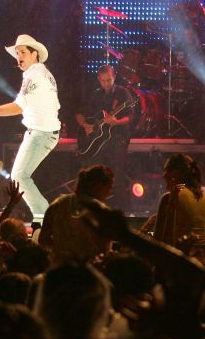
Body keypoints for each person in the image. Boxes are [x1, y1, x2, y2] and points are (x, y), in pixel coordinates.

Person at [0, 34, 60, 217]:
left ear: (34, 54)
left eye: (22, 52)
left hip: (41, 133)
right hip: (42, 132)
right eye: (17, 53)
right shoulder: (41, 73)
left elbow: (18, 107)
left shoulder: (34, 74)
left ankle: (46, 217)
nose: (18, 57)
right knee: (19, 177)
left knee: (19, 177)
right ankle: (46, 217)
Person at [75, 64, 135, 204]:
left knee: (117, 174)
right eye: (103, 81)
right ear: (98, 79)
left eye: (109, 80)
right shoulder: (96, 94)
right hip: (97, 140)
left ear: (114, 77)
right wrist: (85, 125)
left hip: (117, 137)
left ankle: (121, 207)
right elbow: (79, 113)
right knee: (92, 170)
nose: (106, 84)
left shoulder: (123, 93)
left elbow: (131, 117)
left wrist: (116, 122)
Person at [39, 164, 115, 265]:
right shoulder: (102, 211)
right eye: (109, 187)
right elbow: (105, 250)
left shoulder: (58, 204)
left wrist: (62, 251)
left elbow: (43, 239)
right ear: (99, 186)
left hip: (60, 271)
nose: (110, 192)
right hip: (90, 272)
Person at [153, 153, 205, 269]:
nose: (163, 175)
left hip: (183, 264)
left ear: (174, 174)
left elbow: (161, 241)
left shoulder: (169, 198)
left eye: (166, 170)